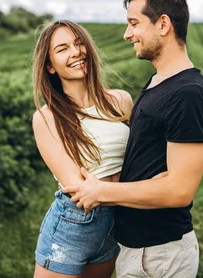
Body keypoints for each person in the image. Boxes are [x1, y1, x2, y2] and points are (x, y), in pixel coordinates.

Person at [62, 0, 203, 278]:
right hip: (139, 249)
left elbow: (179, 191)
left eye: (134, 23)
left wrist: (103, 191)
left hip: (160, 253)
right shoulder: (159, 82)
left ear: (163, 24)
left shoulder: (189, 93)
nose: (126, 34)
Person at [32, 20, 133, 277]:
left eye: (78, 43)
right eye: (62, 49)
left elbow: (139, 162)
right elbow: (79, 189)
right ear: (50, 67)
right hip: (73, 226)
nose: (75, 52)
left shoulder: (120, 101)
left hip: (117, 224)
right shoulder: (47, 118)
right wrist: (132, 190)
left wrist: (109, 188)